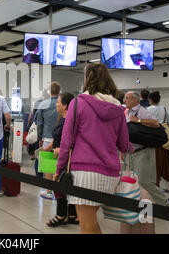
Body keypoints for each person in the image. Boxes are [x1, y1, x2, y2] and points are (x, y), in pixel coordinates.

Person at [54, 63, 132, 234]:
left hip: (85, 174)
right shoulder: (118, 109)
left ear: (87, 79)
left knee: (87, 227)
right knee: (92, 225)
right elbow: (124, 144)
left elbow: (67, 142)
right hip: (111, 175)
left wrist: (59, 170)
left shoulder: (78, 103)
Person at [124, 91, 169, 207]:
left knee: (146, 182)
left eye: (127, 98)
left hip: (144, 152)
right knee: (135, 181)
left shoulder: (142, 111)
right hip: (134, 152)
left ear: (135, 100)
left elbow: (156, 124)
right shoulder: (129, 112)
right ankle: (139, 204)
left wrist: (138, 120)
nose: (125, 100)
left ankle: (164, 204)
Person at [43, 92, 78, 227]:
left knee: (59, 186)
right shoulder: (63, 119)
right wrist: (48, 148)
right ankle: (73, 215)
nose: (56, 104)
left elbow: (70, 142)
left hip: (65, 158)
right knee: (64, 185)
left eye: (58, 102)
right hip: (58, 156)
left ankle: (61, 215)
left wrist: (61, 150)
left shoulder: (70, 122)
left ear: (64, 105)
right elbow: (58, 138)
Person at [147, 91, 169, 192]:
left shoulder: (148, 109)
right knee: (165, 161)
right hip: (164, 138)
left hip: (153, 138)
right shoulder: (164, 109)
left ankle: (157, 183)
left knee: (155, 162)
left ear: (150, 99)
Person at [36, 81, 61, 199]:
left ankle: (48, 190)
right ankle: (58, 191)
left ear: (48, 91)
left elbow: (40, 123)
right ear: (59, 91)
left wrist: (40, 138)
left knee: (48, 167)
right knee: (58, 166)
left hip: (47, 138)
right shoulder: (63, 104)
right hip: (60, 139)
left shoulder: (43, 104)